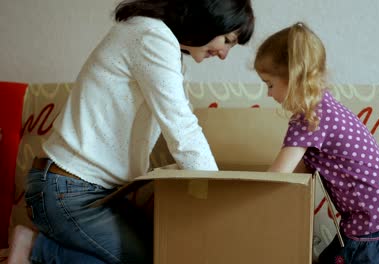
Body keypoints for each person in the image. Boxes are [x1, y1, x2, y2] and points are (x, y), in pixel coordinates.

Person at [8, 0, 254, 263]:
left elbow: (180, 123)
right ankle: (35, 249)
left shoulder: (157, 39)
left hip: (92, 190)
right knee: (149, 258)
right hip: (67, 190)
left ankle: (38, 245)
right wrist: (222, 199)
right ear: (209, 18)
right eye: (227, 40)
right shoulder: (152, 37)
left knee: (165, 247)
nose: (224, 53)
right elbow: (182, 128)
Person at [253, 22, 379, 263]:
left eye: (270, 84)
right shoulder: (327, 107)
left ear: (294, 77)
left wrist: (245, 205)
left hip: (369, 230)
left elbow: (277, 178)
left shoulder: (308, 120)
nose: (269, 94)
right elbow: (299, 175)